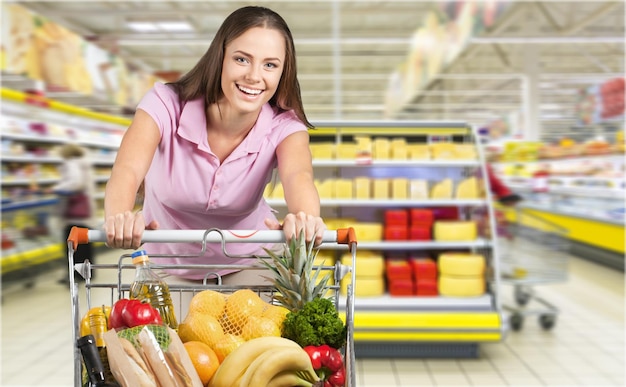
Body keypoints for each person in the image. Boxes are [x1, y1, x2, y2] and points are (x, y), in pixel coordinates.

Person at [103, 6, 325, 282]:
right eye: (242, 59)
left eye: (270, 64)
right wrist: (120, 216)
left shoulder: (285, 126)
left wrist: (306, 218)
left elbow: (298, 175)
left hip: (250, 263)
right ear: (220, 58)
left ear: (282, 72)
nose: (254, 76)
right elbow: (127, 168)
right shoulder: (165, 104)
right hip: (162, 266)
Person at [47, 143, 96, 284]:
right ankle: (87, 273)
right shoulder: (84, 164)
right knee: (85, 244)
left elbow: (75, 183)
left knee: (71, 245)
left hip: (74, 212)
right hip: (85, 211)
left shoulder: (72, 163)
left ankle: (74, 274)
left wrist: (56, 189)